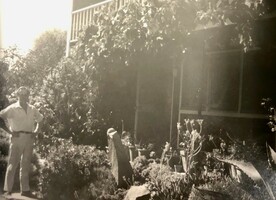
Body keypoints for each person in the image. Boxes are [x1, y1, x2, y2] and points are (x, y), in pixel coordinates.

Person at [0, 86, 43, 198]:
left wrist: (36, 131)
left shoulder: (32, 108)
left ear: (28, 95)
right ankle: (7, 190)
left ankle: (25, 190)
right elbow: (0, 117)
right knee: (12, 164)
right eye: (21, 94)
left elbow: (40, 120)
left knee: (25, 164)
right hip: (17, 138)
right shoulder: (12, 108)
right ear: (18, 95)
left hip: (29, 138)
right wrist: (10, 132)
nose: (23, 96)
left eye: (26, 94)